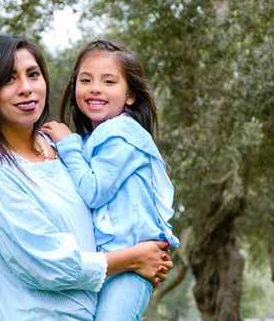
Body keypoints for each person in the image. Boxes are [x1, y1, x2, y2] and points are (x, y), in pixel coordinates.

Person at [0, 35, 173, 321]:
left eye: (33, 74)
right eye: (9, 79)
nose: (26, 89)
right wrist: (134, 259)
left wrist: (144, 252)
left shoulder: (61, 149)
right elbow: (49, 265)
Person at [42, 39, 179, 321]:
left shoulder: (122, 134)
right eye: (86, 80)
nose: (95, 88)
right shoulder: (93, 140)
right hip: (112, 265)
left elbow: (93, 192)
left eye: (109, 81)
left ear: (130, 95)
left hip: (132, 267)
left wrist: (68, 145)